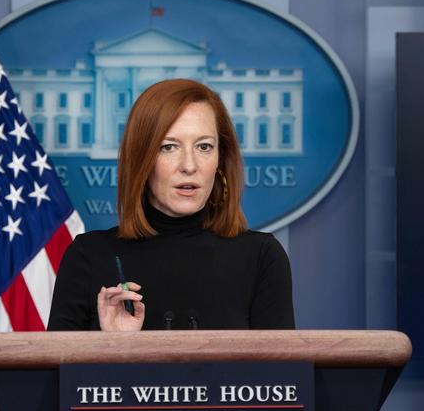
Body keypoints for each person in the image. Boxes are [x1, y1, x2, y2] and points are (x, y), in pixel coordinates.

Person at [48, 79, 294, 331]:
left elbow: (279, 371)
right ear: (141, 158)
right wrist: (114, 348)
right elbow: (56, 370)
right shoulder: (87, 256)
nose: (189, 165)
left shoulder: (262, 257)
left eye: (204, 146)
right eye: (169, 147)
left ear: (221, 159)